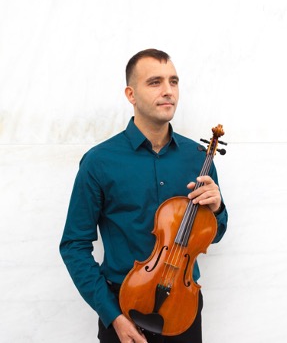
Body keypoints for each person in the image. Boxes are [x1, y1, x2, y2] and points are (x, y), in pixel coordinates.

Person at [60, 48, 228, 343]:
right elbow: (74, 245)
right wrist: (113, 316)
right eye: (155, 82)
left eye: (173, 82)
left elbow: (213, 235)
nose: (168, 91)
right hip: (124, 308)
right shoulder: (99, 162)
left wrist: (216, 210)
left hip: (183, 306)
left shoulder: (199, 157)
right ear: (131, 94)